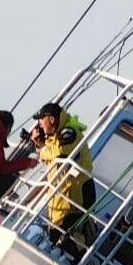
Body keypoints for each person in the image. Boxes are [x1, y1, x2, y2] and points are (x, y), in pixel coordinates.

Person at [30, 102, 96, 254]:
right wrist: (41, 145)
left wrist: (42, 149)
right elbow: (50, 157)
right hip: (66, 197)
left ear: (51, 120)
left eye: (41, 120)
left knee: (60, 236)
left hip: (78, 195)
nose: (40, 125)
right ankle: (82, 249)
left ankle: (85, 253)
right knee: (56, 235)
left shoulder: (69, 133)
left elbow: (58, 153)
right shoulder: (56, 137)